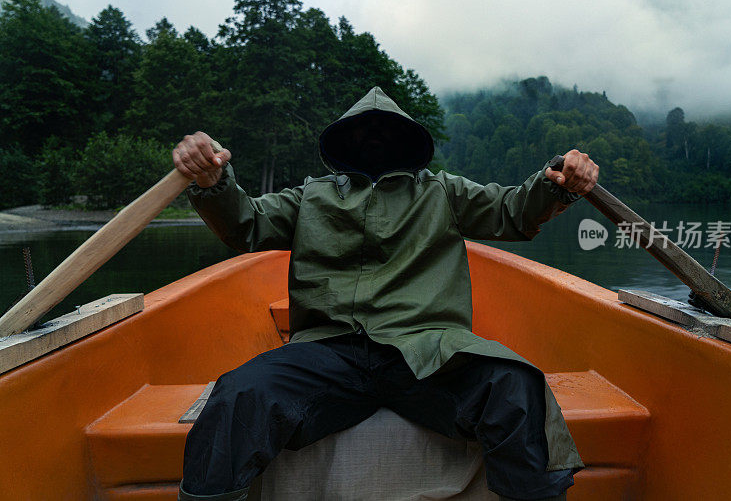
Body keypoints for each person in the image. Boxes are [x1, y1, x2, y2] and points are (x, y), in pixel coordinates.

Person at [173, 86, 598, 501]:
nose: (374, 138)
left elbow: (514, 210)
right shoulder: (311, 197)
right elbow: (245, 223)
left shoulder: (441, 192)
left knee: (517, 384)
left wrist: (558, 181)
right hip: (328, 351)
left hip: (428, 350)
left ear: (408, 140)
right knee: (239, 394)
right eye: (363, 130)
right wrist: (213, 182)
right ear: (343, 139)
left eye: (387, 130)